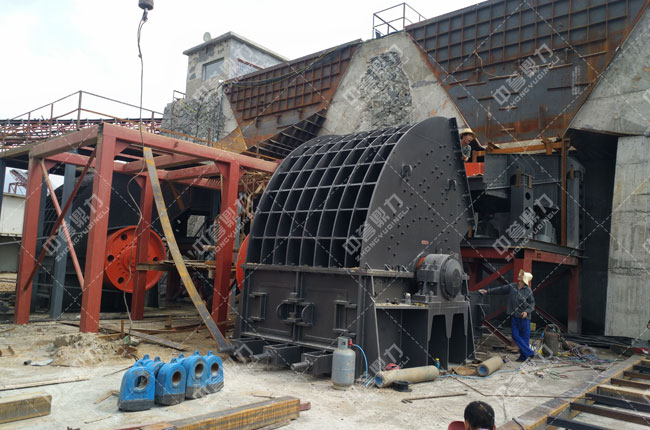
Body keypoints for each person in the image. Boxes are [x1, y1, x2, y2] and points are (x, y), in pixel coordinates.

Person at [479, 270, 535, 361]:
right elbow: (500, 290)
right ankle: (530, 352)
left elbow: (532, 304)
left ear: (524, 279)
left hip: (525, 318)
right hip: (514, 317)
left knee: (525, 339)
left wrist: (526, 312)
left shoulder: (528, 291)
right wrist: (487, 291)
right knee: (515, 336)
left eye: (521, 275)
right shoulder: (512, 287)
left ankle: (523, 357)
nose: (519, 275)